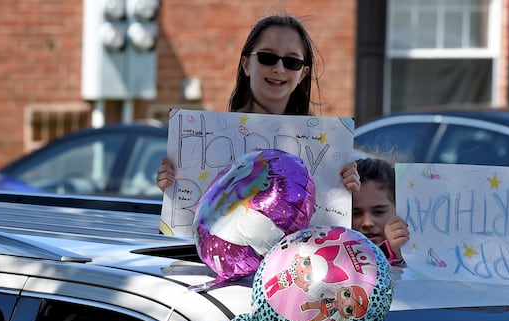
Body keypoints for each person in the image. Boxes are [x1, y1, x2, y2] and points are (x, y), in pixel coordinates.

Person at [155, 13, 361, 194]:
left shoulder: (324, 148)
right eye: (267, 57)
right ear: (246, 64)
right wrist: (173, 183)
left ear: (303, 74)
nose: (279, 68)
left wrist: (347, 188)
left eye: (292, 62)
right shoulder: (212, 139)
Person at [352, 156, 509, 266]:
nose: (367, 222)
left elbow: (472, 294)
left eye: (379, 211)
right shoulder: (331, 261)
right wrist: (392, 253)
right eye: (356, 213)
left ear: (403, 208)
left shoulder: (436, 249)